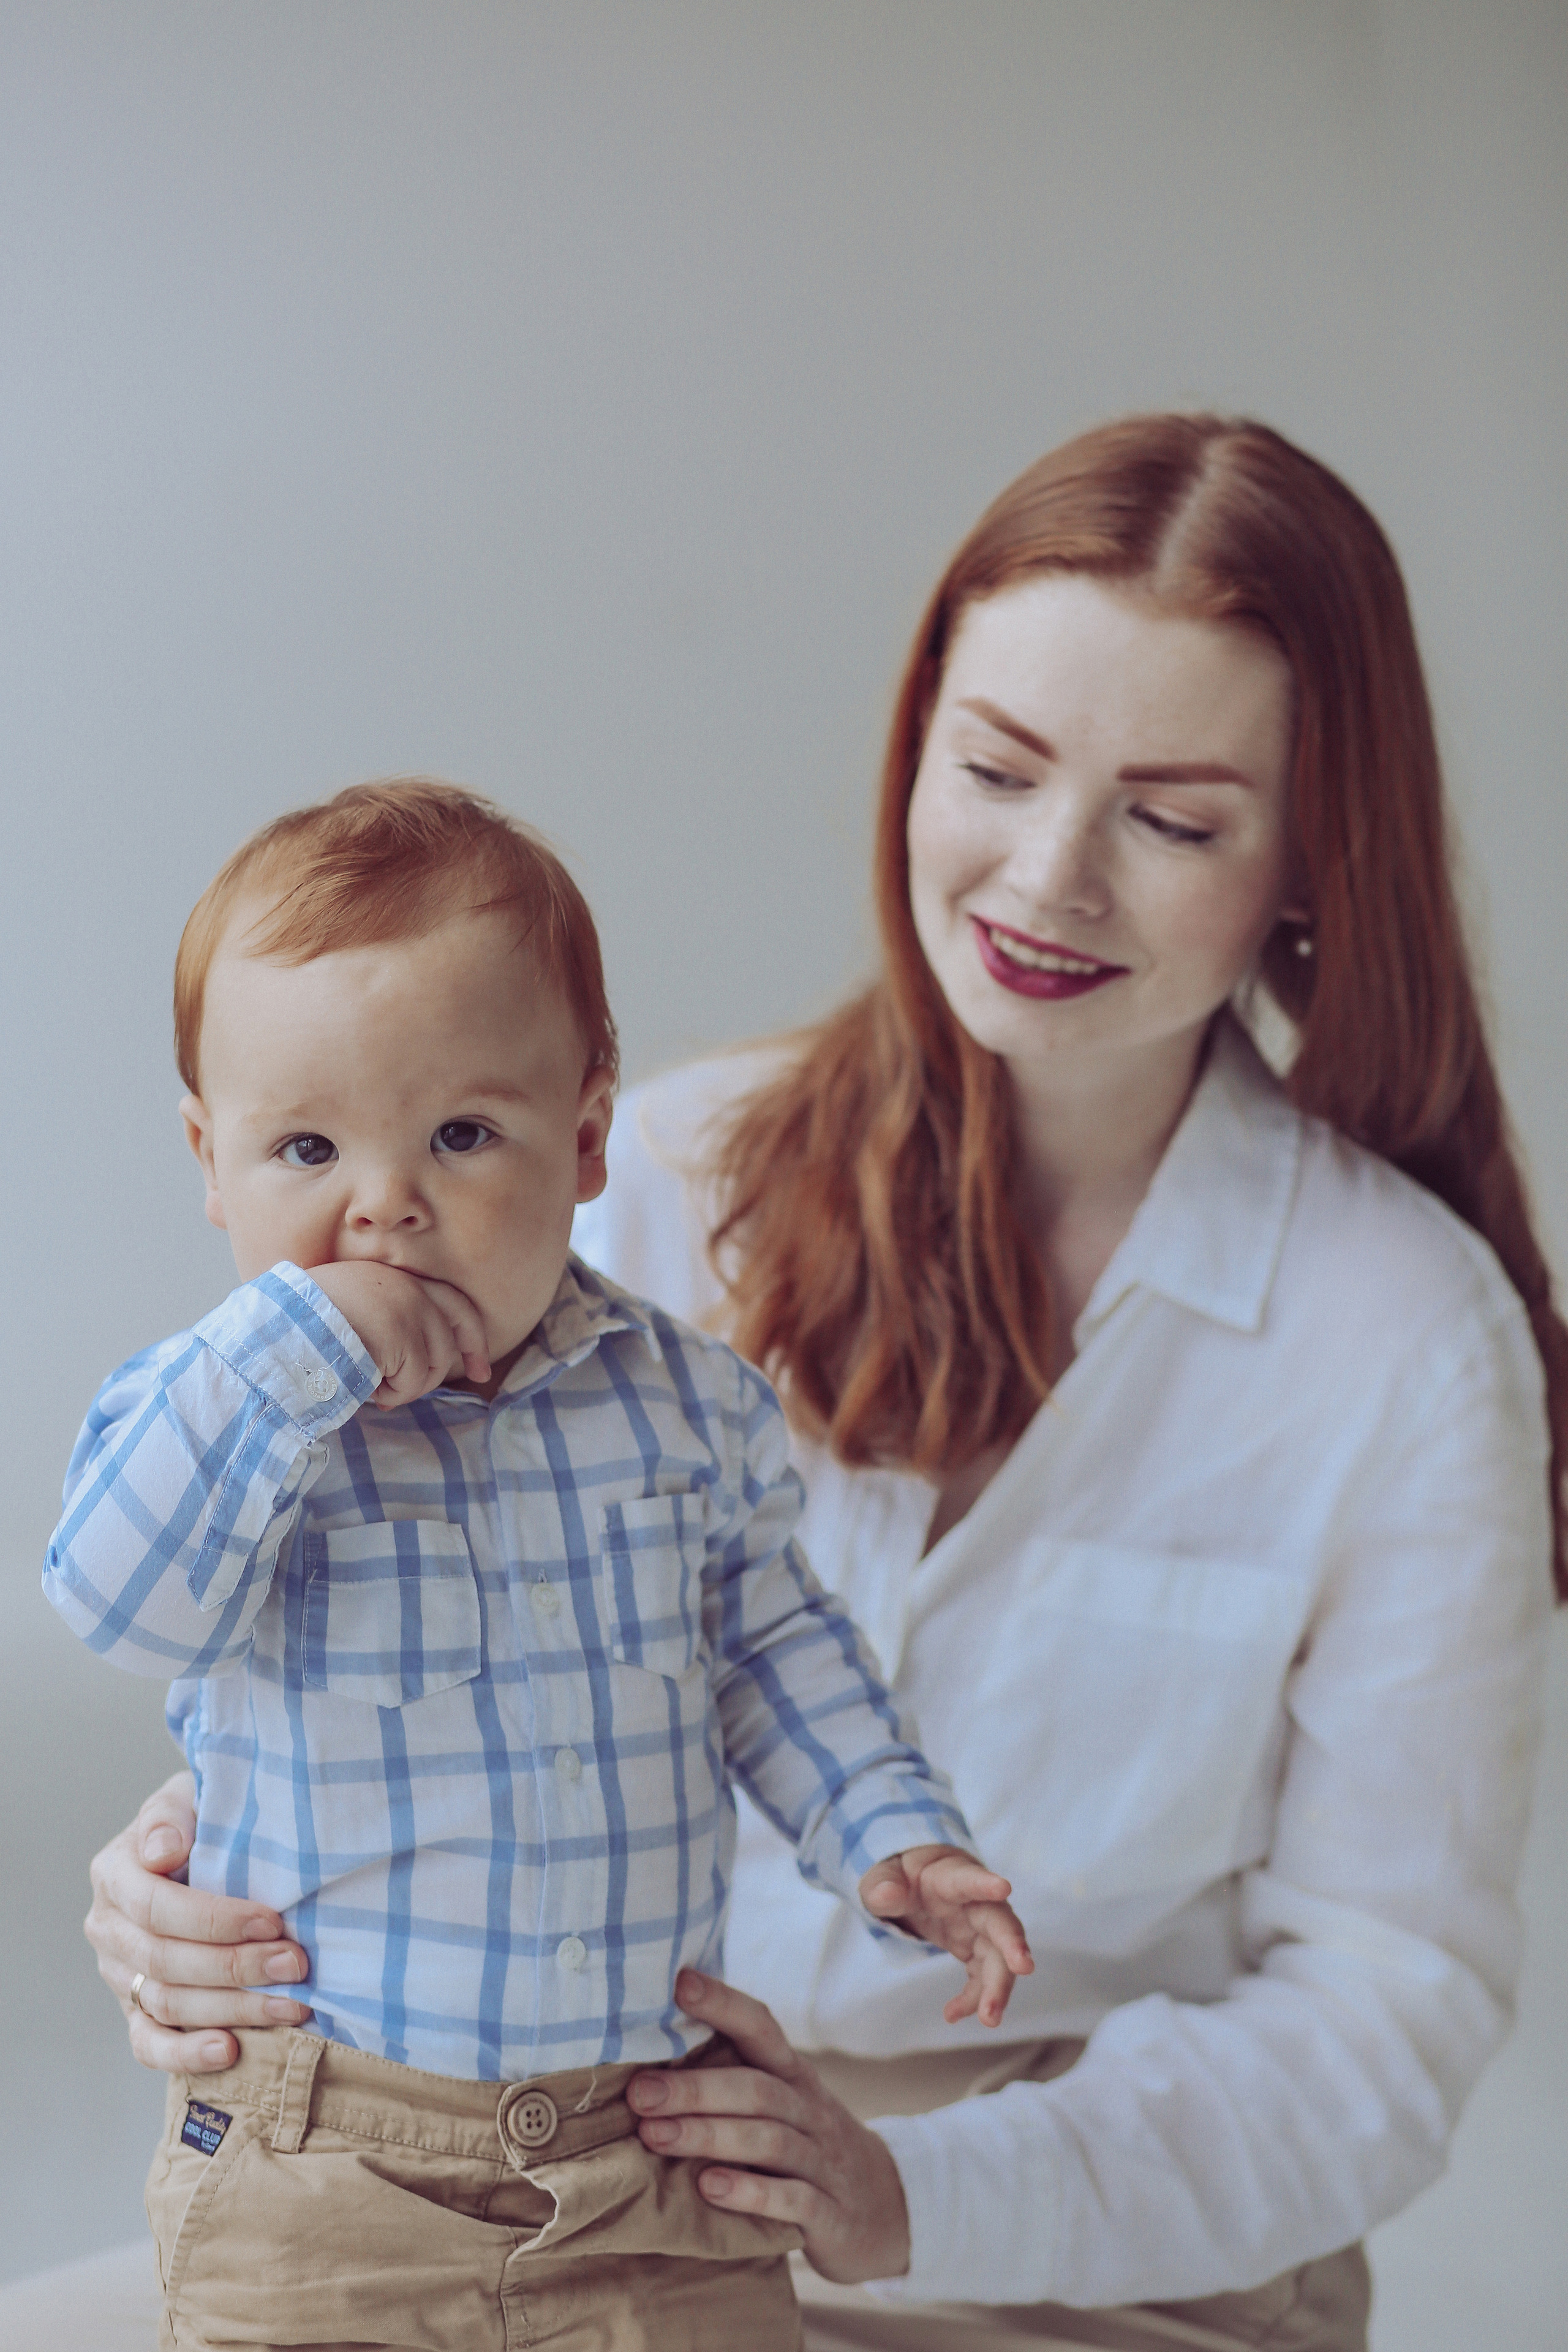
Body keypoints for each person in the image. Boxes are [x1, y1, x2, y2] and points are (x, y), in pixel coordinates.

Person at [82, 415, 1562, 2352]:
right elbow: (392, 1623)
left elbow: (1383, 2011)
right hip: (556, 2185)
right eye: (997, 768)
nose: (1050, 877)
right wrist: (180, 1878)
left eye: (1175, 819)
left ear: (1309, 861)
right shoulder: (645, 1177)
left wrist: (895, 2195)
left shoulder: (1408, 1335)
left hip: (1090, 2260)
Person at [43, 780, 1033, 2352]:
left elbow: (775, 1647)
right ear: (209, 1163)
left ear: (584, 1139)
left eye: (460, 1134)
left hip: (646, 2150)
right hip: (334, 2154)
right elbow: (113, 1600)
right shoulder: (222, 1415)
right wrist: (298, 1345)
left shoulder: (688, 1408)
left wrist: (887, 1832)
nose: (385, 1202)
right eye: (305, 1146)